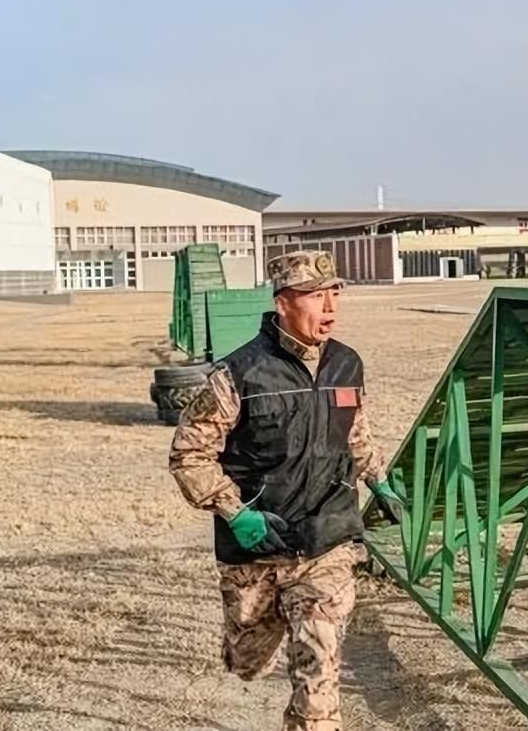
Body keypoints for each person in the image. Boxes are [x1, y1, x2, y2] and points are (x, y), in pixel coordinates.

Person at [168, 250, 406, 731]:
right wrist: (235, 513)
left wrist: (378, 478)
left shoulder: (346, 364)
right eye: (316, 296)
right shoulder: (237, 375)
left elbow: (353, 432)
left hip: (326, 540)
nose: (330, 307)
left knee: (319, 672)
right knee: (246, 658)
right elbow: (188, 457)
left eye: (334, 293)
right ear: (282, 303)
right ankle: (255, 634)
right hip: (257, 546)